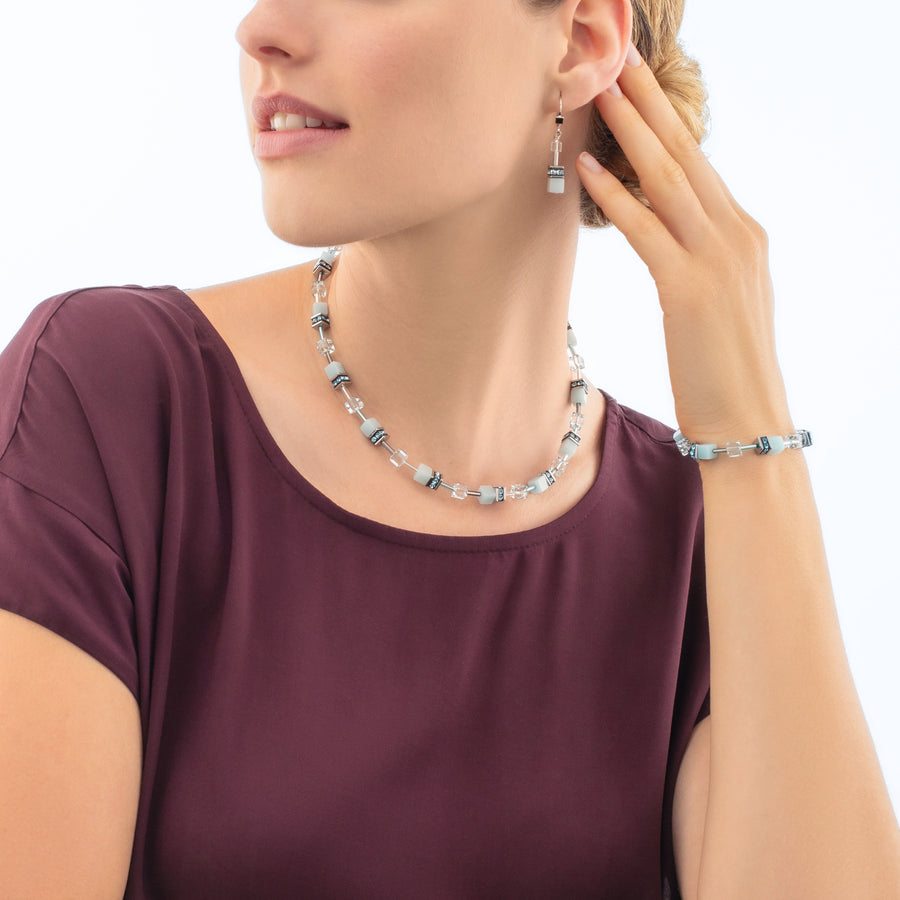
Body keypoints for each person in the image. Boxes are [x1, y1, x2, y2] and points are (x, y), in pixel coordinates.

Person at [1, 0, 898, 896]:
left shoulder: (695, 535)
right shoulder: (111, 406)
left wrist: (748, 422)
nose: (260, 29)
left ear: (580, 40)